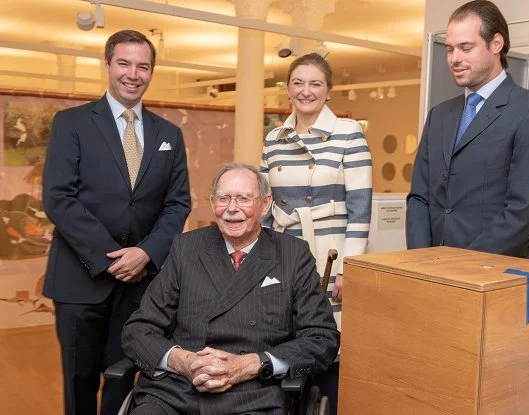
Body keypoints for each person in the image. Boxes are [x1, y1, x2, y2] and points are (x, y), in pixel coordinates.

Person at [42, 30, 191, 414]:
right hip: (80, 280)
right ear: (107, 65)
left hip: (141, 286)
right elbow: (59, 198)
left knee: (126, 377)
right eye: (124, 63)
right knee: (79, 380)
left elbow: (177, 204)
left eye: (143, 66)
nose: (133, 73)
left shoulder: (169, 135)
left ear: (152, 72)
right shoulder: (71, 123)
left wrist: (145, 253)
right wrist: (111, 258)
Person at [121, 163, 340, 414]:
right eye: (223, 198)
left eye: (244, 199)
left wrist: (250, 364)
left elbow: (322, 338)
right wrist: (184, 362)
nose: (232, 209)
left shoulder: (293, 255)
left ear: (265, 204)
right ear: (213, 203)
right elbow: (138, 329)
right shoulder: (186, 248)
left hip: (254, 394)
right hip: (176, 390)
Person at [407, 0, 529, 259]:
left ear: (496, 44)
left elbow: (524, 213)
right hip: (432, 273)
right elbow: (419, 198)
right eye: (449, 49)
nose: (454, 59)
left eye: (465, 48)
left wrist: (464, 267)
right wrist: (423, 261)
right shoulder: (439, 115)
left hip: (493, 276)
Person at [260, 52, 372, 330]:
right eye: (298, 83)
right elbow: (263, 204)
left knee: (326, 337)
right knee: (283, 332)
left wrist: (349, 268)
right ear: (287, 89)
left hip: (330, 255)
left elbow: (360, 208)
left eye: (315, 84)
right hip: (282, 250)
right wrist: (260, 257)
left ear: (328, 91)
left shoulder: (349, 132)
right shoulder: (274, 138)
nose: (306, 91)